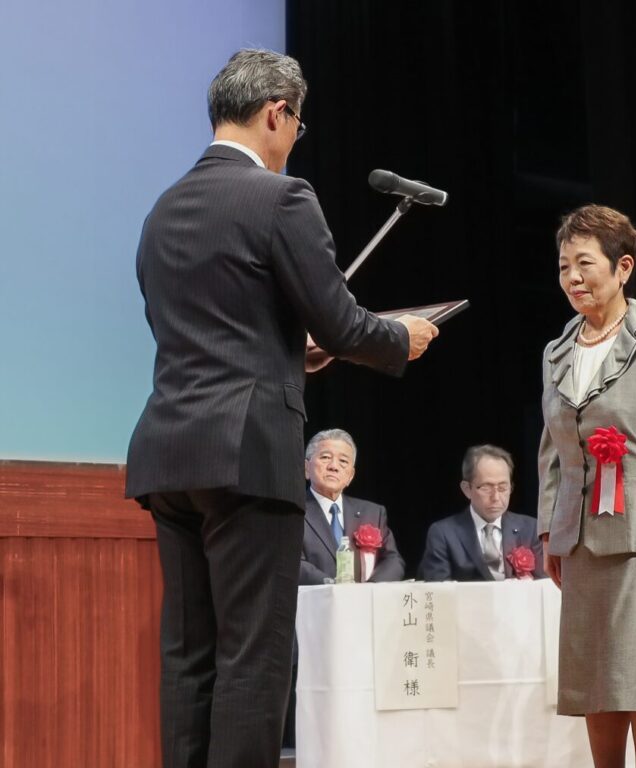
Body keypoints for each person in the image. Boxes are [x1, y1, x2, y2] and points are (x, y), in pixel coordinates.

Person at [124, 49, 437, 768]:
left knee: (189, 655)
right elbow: (345, 325)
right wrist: (404, 336)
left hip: (169, 452)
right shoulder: (281, 197)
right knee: (253, 657)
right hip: (246, 451)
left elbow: (206, 329)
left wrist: (288, 351)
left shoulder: (162, 208)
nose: (296, 136)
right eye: (297, 121)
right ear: (276, 112)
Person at [537, 204, 636, 768]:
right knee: (593, 674)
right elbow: (551, 450)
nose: (573, 279)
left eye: (585, 264)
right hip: (578, 541)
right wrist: (548, 531)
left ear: (623, 267)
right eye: (563, 267)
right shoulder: (557, 350)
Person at [418, 445, 545, 581]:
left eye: (502, 487)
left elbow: (545, 583)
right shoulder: (443, 533)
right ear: (467, 489)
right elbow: (438, 590)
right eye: (486, 488)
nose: (496, 497)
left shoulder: (531, 529)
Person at [301, 429, 405, 584]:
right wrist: (332, 586)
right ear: (306, 468)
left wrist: (369, 589)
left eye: (343, 461)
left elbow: (393, 561)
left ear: (350, 476)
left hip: (363, 604)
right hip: (314, 603)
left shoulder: (372, 513)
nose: (334, 466)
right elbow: (291, 562)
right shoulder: (292, 511)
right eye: (325, 457)